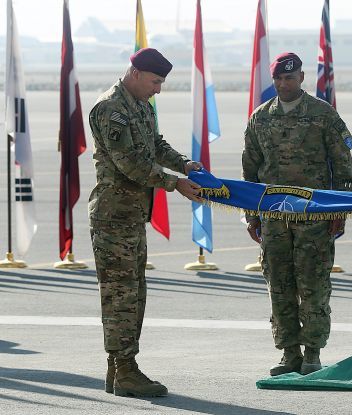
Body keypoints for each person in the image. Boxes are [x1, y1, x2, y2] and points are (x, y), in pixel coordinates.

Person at [88, 48, 204, 397]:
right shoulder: (111, 109)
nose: (158, 89)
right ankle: (124, 370)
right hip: (113, 217)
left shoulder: (139, 105)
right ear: (135, 72)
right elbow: (131, 164)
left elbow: (154, 144)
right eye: (155, 82)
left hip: (131, 217)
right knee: (120, 297)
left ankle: (121, 370)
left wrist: (184, 164)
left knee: (134, 294)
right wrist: (175, 183)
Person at [242, 52, 352, 376]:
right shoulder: (260, 118)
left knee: (313, 285)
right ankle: (289, 353)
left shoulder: (323, 115)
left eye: (289, 78)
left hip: (314, 218)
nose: (283, 83)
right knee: (278, 284)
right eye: (278, 78)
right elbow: (250, 171)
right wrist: (252, 216)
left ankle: (313, 353)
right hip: (274, 219)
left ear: (302, 78)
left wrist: (341, 210)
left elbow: (342, 164)